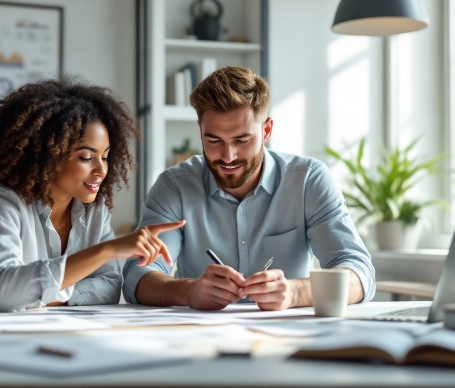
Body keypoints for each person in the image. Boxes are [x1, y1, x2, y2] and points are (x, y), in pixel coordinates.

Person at [122, 66, 375, 311]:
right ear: (200, 130)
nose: (228, 156)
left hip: (288, 336)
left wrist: (296, 292)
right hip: (200, 337)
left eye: (242, 140)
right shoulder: (174, 185)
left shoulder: (308, 180)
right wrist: (189, 291)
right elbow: (138, 276)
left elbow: (359, 273)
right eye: (213, 140)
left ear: (266, 131)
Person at [0, 77, 184, 312]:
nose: (101, 170)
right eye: (86, 158)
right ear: (47, 155)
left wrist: (39, 297)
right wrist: (107, 250)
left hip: (48, 330)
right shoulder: (1, 201)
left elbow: (110, 287)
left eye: (105, 157)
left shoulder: (94, 211)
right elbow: (4, 293)